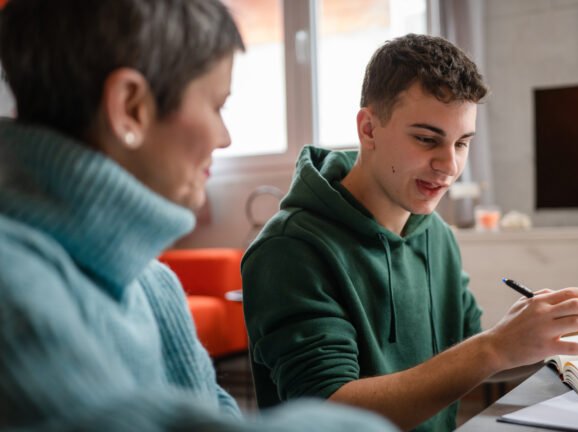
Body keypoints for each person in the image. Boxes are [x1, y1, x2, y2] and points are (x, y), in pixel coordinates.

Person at [0, 1, 396, 431]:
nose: (224, 138)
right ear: (131, 108)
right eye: (216, 106)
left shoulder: (154, 285)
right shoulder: (12, 281)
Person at [241, 33, 578, 431]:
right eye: (427, 140)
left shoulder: (435, 234)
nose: (450, 166)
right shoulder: (289, 249)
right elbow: (329, 414)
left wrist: (555, 338)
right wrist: (494, 346)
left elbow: (465, 361)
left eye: (462, 143)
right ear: (368, 129)